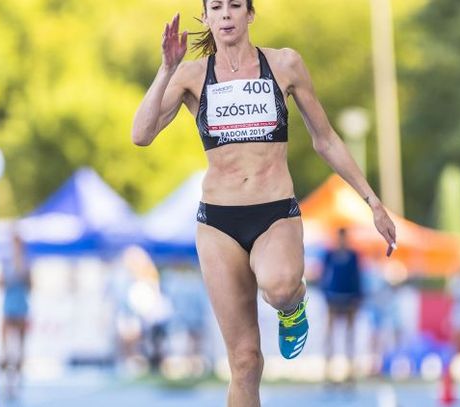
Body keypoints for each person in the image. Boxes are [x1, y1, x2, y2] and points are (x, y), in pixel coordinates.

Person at [131, 1, 396, 404]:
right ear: (206, 17)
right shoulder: (191, 75)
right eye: (216, 7)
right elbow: (141, 134)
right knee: (245, 361)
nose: (226, 14)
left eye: (235, 5)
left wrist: (372, 201)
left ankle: (294, 305)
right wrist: (166, 68)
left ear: (250, 14)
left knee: (279, 287)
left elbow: (325, 139)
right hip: (217, 223)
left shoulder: (285, 64)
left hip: (274, 213)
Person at [321, 228, 363, 383]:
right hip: (333, 297)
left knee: (349, 335)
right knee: (330, 334)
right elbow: (324, 276)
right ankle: (328, 370)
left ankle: (350, 370)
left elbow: (357, 276)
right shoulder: (330, 255)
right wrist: (326, 295)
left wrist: (357, 296)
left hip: (349, 297)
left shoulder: (353, 256)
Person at [0, 228, 31, 399]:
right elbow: (0, 283)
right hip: (8, 307)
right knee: (6, 349)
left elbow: (30, 285)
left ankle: (17, 382)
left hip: (21, 308)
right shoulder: (6, 262)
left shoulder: (26, 262)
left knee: (20, 347)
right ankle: (8, 383)